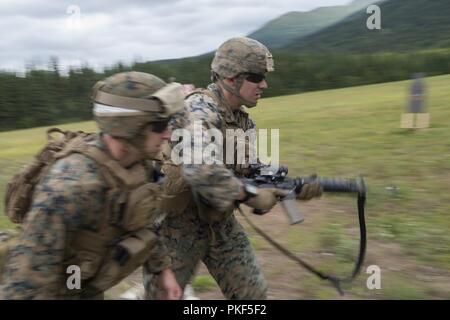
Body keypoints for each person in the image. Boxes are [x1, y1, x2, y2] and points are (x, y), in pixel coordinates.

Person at [143, 37, 322, 300]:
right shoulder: (199, 109)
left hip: (219, 221)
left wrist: (289, 187)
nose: (264, 84)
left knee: (253, 296)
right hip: (176, 227)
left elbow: (249, 169)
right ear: (230, 79)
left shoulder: (241, 121)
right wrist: (250, 194)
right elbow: (198, 168)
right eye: (256, 77)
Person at [1, 71, 183, 300]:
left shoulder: (140, 165)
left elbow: (144, 223)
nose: (168, 134)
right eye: (160, 124)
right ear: (130, 127)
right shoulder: (69, 188)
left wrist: (163, 270)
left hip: (77, 279)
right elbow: (25, 285)